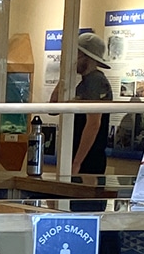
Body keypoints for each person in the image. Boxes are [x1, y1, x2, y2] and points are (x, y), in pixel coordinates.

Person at [48, 32, 114, 176]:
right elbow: (53, 107)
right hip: (78, 156)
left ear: (86, 57)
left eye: (76, 55)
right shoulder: (83, 82)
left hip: (88, 159)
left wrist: (77, 163)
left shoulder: (95, 81)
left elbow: (93, 124)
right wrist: (65, 76)